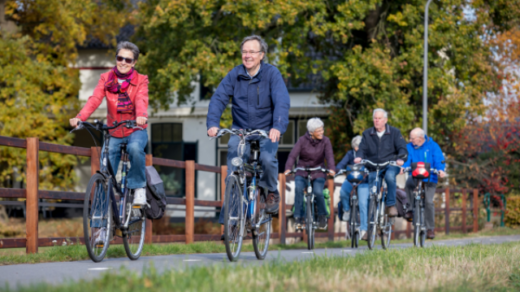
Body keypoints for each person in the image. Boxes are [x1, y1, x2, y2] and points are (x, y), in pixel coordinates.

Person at [207, 35, 290, 218]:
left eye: (252, 51)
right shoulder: (234, 75)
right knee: (233, 173)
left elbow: (281, 102)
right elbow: (218, 99)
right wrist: (213, 124)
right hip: (241, 130)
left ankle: (271, 192)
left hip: (266, 130)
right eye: (244, 52)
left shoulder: (272, 74)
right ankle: (231, 221)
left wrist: (277, 126)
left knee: (268, 160)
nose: (247, 55)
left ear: (261, 55)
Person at [70, 41, 148, 206]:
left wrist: (141, 115)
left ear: (134, 63)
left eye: (128, 60)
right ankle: (104, 213)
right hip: (114, 131)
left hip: (135, 128)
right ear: (116, 58)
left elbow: (141, 99)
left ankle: (139, 187)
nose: (123, 63)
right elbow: (95, 99)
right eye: (120, 58)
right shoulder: (106, 79)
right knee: (107, 167)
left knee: (135, 149)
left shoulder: (141, 80)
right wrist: (80, 117)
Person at [354, 108, 408, 217]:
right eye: (375, 118)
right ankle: (373, 211)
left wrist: (401, 159)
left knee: (389, 176)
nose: (377, 120)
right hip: (374, 166)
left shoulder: (395, 132)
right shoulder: (367, 133)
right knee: (373, 189)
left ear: (385, 120)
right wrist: (359, 157)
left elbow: (402, 148)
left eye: (379, 118)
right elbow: (362, 149)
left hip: (391, 164)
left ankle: (391, 205)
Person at [284, 118, 335, 229]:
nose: (322, 132)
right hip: (302, 170)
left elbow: (329, 156)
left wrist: (331, 169)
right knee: (298, 189)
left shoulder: (325, 141)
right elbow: (293, 155)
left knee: (318, 191)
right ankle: (298, 217)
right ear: (311, 132)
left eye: (322, 129)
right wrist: (288, 168)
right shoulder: (302, 140)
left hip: (319, 171)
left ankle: (322, 216)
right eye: (319, 131)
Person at [402, 128, 446, 239]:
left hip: (430, 177)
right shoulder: (409, 147)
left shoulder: (433, 146)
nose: (410, 140)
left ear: (420, 138)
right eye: (410, 138)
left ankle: (430, 228)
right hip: (415, 175)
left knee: (428, 202)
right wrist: (403, 167)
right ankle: (411, 209)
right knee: (408, 185)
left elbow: (438, 159)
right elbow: (407, 159)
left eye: (412, 138)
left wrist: (440, 169)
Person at [336, 135, 370, 240]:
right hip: (350, 180)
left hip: (364, 182)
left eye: (359, 147)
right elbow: (341, 164)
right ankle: (346, 210)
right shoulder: (350, 154)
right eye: (356, 147)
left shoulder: (368, 154)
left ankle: (364, 230)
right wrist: (337, 170)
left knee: (363, 204)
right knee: (343, 192)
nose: (357, 149)